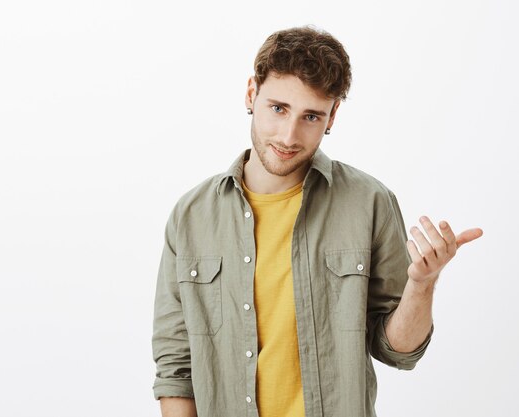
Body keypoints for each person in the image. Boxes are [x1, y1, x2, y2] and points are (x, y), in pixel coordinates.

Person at [151, 25, 483, 417]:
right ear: (251, 94)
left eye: (311, 116)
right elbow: (176, 367)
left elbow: (399, 351)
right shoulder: (191, 216)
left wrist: (422, 285)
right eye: (278, 108)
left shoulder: (369, 202)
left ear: (332, 115)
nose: (289, 136)